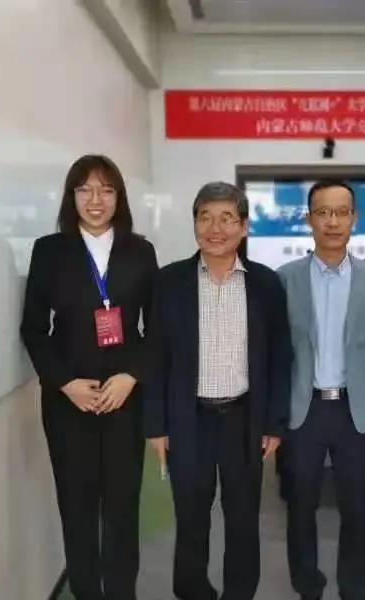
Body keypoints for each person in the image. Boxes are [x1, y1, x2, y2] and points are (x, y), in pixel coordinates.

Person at [20, 154, 159, 600]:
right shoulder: (50, 251)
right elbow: (34, 329)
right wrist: (65, 383)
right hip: (68, 403)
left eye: (106, 190)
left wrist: (131, 376)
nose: (95, 200)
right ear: (71, 197)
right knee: (76, 507)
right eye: (85, 190)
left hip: (124, 401)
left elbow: (157, 329)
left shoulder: (140, 251)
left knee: (122, 508)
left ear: (119, 197)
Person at [144, 182, 291, 600]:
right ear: (194, 223)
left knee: (243, 520)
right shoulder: (169, 281)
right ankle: (193, 592)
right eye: (205, 217)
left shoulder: (265, 284)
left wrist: (274, 423)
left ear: (243, 227)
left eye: (227, 218)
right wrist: (156, 425)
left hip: (244, 419)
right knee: (191, 519)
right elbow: (155, 355)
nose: (215, 228)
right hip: (188, 419)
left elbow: (280, 356)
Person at [278, 180, 365, 600]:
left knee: (357, 508)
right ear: (309, 219)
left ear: (354, 219)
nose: (332, 221)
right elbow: (277, 355)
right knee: (300, 506)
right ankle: (307, 585)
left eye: (341, 212)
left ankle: (353, 588)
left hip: (354, 410)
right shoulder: (285, 278)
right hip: (303, 410)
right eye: (323, 212)